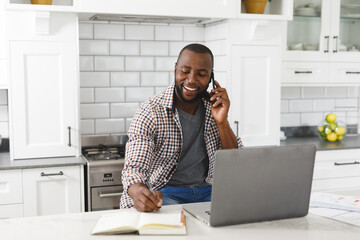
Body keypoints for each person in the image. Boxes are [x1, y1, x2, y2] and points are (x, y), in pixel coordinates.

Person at [120, 43, 243, 212]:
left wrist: (222, 121)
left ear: (211, 78)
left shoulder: (214, 108)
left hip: (211, 191)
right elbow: (135, 168)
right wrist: (138, 190)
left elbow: (235, 161)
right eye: (185, 71)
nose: (191, 80)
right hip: (167, 192)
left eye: (201, 74)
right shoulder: (150, 111)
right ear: (175, 70)